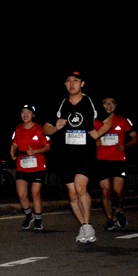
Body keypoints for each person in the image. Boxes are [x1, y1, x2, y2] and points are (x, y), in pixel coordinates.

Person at [43, 70, 113, 244]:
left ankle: (88, 225)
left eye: (75, 80)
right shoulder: (60, 104)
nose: (71, 84)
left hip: (85, 152)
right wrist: (56, 127)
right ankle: (83, 225)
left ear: (82, 83)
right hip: (65, 153)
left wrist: (98, 134)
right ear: (65, 84)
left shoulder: (90, 102)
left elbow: (108, 122)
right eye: (68, 81)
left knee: (80, 187)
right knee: (72, 193)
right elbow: (46, 129)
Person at [94, 98, 138, 230]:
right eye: (105, 103)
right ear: (101, 105)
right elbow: (86, 138)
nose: (108, 105)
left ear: (116, 105)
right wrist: (95, 142)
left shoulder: (122, 120)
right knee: (105, 191)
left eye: (111, 103)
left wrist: (125, 145)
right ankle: (109, 219)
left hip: (119, 160)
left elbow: (135, 137)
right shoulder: (95, 121)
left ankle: (119, 209)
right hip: (101, 160)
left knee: (118, 191)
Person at [10, 105, 50, 232]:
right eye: (23, 112)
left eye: (28, 112)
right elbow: (14, 143)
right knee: (21, 193)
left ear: (33, 115)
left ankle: (38, 220)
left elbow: (48, 146)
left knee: (35, 193)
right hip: (22, 165)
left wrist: (36, 151)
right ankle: (29, 215)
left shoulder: (40, 129)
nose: (25, 115)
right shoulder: (18, 129)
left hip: (38, 165)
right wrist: (12, 152)